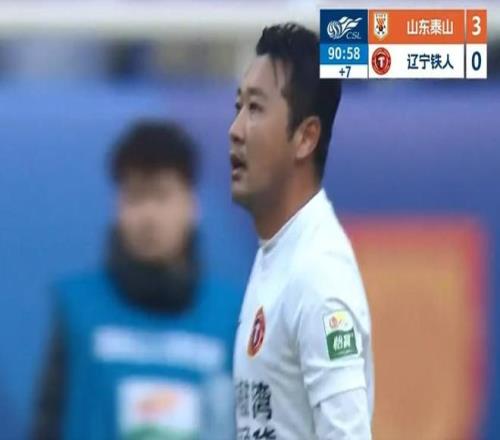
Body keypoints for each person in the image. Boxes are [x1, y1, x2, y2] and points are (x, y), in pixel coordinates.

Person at [33, 120, 240, 440]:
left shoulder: (232, 317)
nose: (148, 216)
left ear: (192, 206)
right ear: (116, 207)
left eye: (161, 196)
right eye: (135, 197)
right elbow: (46, 427)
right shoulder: (77, 311)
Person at [229, 23, 373, 439]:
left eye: (255, 108)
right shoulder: (278, 252)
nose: (235, 129)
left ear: (306, 137)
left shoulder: (317, 276)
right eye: (238, 106)